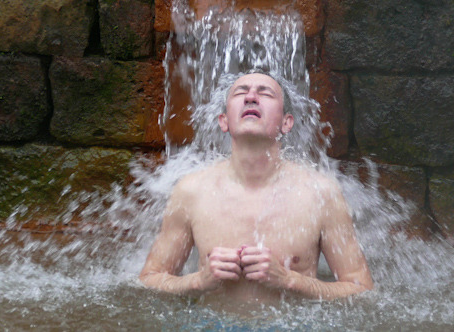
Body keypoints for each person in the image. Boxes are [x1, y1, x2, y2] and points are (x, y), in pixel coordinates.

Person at [139, 72, 373, 307]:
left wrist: (290, 280)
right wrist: (198, 281)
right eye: (240, 92)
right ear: (224, 121)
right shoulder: (191, 191)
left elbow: (361, 288)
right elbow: (149, 279)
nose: (251, 97)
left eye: (265, 93)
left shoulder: (321, 194)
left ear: (286, 122)